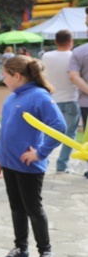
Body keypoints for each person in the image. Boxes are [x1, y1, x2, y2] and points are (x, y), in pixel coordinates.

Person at [0, 55, 64, 257]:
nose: (2, 79)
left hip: (29, 167)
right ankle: (21, 248)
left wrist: (40, 153)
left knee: (33, 208)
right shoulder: (12, 97)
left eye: (5, 75)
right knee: (17, 208)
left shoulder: (40, 97)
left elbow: (59, 127)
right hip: (9, 164)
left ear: (17, 75)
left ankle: (46, 251)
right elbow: (4, 129)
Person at [41, 30, 80, 173]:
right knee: (70, 134)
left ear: (56, 41)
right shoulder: (74, 56)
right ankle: (62, 165)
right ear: (71, 41)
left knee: (47, 133)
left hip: (51, 100)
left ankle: (43, 161)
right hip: (71, 98)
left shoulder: (46, 56)